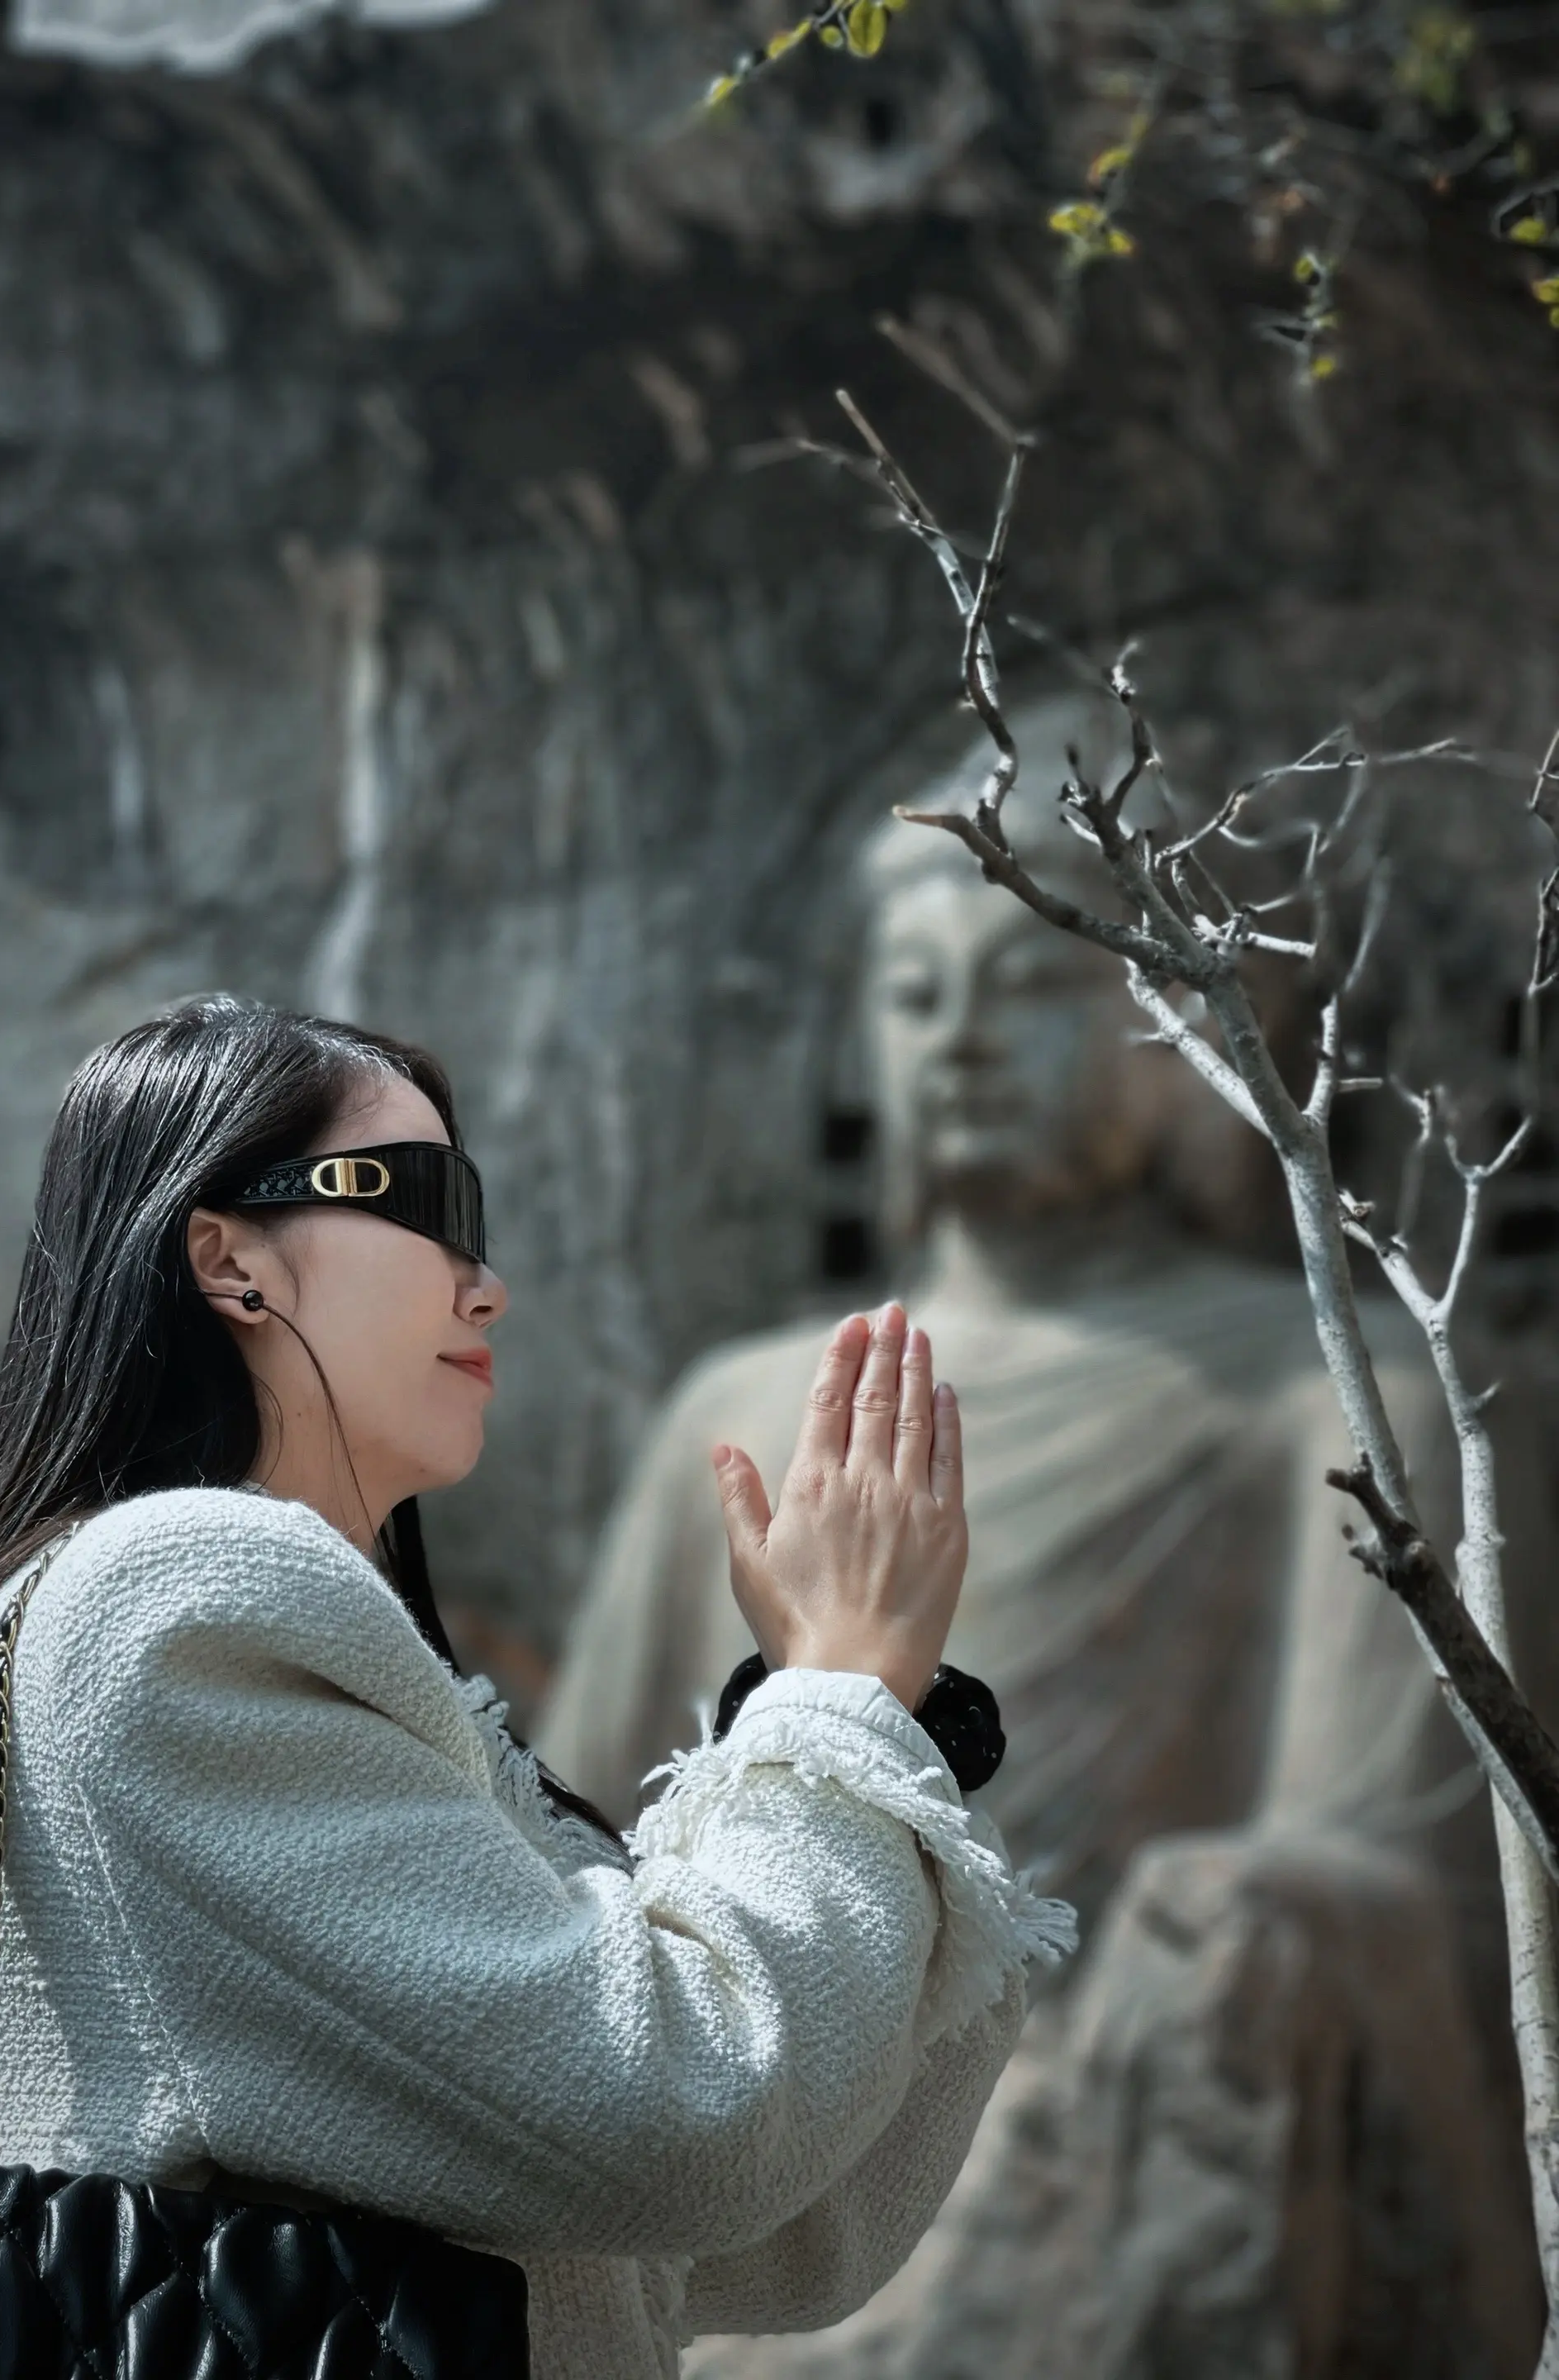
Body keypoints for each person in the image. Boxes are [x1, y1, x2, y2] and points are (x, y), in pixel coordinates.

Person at [0, 993, 1070, 2380]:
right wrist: (832, 1703)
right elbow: (685, 2113)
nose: (485, 1285)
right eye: (425, 1201)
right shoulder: (177, 1599)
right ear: (230, 1262)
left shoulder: (236, 1631)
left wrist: (869, 1723)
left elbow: (774, 2230)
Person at [539, 701, 1459, 1927]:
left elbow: (1391, 1867)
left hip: (1130, 2016)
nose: (963, 1039)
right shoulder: (738, 1407)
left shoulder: (1331, 1391)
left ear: (1182, 1025)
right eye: (917, 995)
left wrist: (1236, 1926)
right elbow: (568, 1844)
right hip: (762, 2009)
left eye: (1029, 989)